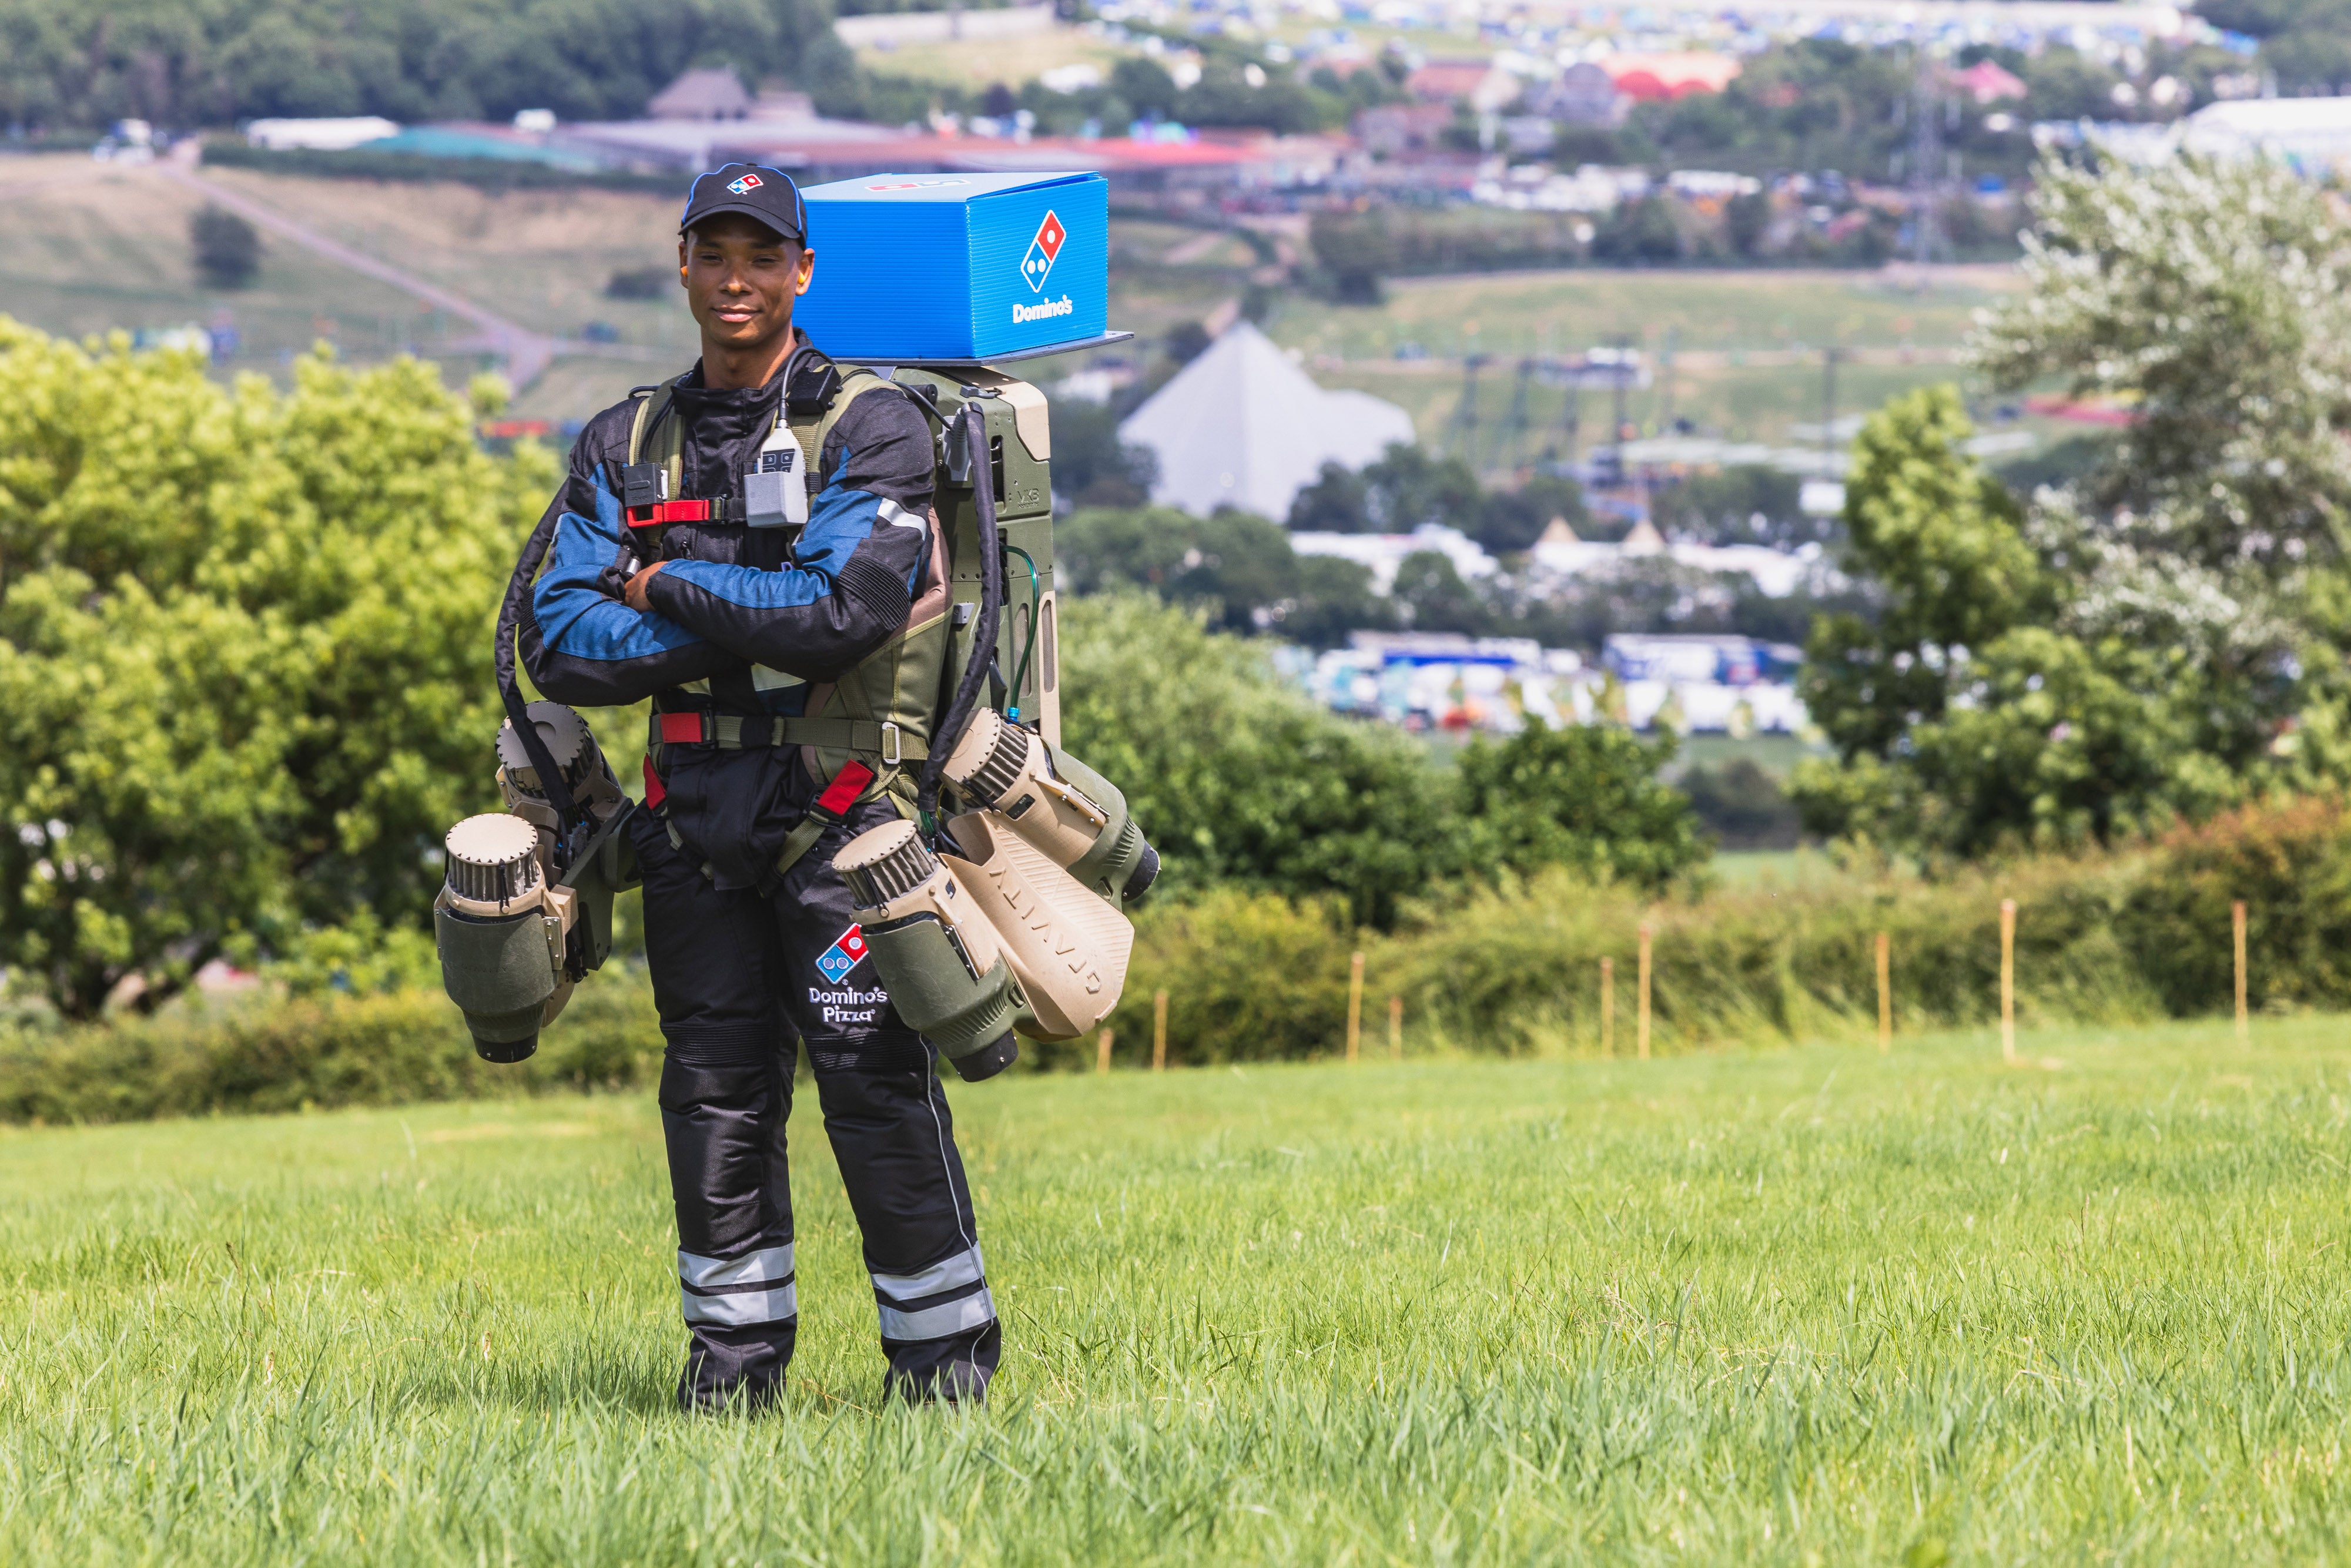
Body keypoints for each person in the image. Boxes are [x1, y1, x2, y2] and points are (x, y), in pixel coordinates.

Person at [518, 164, 998, 1410]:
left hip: (839, 822)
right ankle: (729, 1377)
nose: (738, 276)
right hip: (686, 821)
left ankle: (941, 1374)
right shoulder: (622, 441)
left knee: (872, 1088)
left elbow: (845, 614)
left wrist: (661, 584)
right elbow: (560, 641)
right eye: (713, 252)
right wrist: (749, 622)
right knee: (713, 1098)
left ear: (802, 273)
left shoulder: (872, 425)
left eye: (763, 254)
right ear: (682, 265)